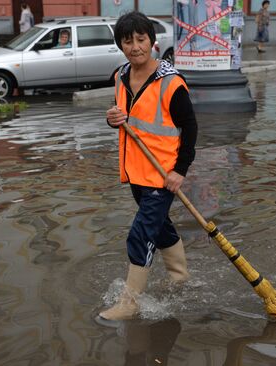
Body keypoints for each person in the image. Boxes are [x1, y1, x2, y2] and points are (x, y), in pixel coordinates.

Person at [98, 11, 198, 322]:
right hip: (136, 173)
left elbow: (190, 129)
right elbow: (122, 117)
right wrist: (111, 118)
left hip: (162, 175)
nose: (135, 47)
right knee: (161, 228)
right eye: (127, 41)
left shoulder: (171, 84)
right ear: (120, 45)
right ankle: (180, 278)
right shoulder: (119, 76)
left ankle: (130, 303)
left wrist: (179, 171)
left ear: (152, 42)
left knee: (140, 234)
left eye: (141, 40)